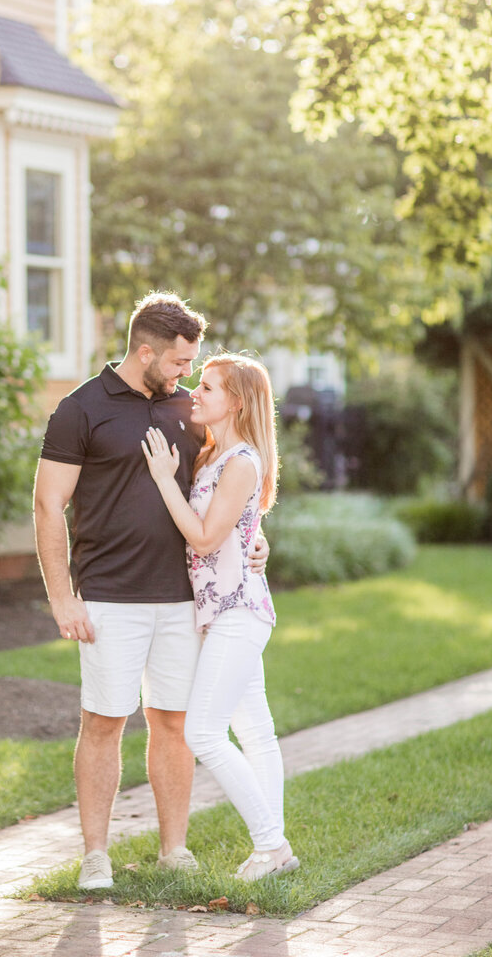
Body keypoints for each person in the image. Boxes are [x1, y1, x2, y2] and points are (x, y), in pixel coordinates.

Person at [33, 292, 268, 891]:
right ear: (145, 351)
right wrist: (63, 598)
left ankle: (174, 850)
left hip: (186, 597)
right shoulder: (80, 409)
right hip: (109, 595)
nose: (188, 375)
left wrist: (255, 541)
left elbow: (228, 484)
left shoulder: (189, 411)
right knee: (104, 721)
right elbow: (47, 504)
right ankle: (95, 856)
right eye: (179, 362)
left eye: (193, 364)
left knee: (173, 721)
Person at [141, 352, 299, 882]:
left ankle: (271, 846)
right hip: (221, 609)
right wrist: (257, 539)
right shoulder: (212, 454)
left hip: (237, 610)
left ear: (234, 401)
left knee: (204, 732)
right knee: (255, 730)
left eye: (207, 388)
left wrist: (164, 478)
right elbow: (240, 528)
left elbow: (206, 537)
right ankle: (272, 848)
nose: (194, 394)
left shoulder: (242, 462)